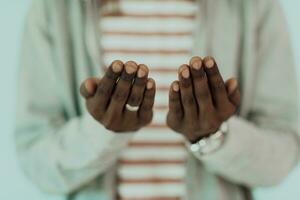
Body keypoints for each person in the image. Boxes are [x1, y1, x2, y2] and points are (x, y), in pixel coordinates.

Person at [15, 0, 300, 200]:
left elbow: (282, 157)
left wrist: (214, 136)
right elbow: (36, 162)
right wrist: (100, 133)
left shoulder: (253, 5)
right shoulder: (54, 8)